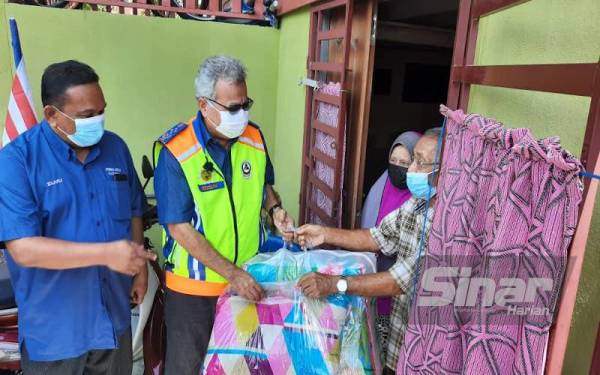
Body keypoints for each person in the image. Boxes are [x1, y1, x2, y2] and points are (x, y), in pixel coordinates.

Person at [0, 60, 155, 375]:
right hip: (56, 333)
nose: (97, 121)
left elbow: (134, 209)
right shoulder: (17, 161)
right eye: (86, 116)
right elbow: (24, 249)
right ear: (52, 115)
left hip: (113, 321)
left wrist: (138, 268)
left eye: (101, 111)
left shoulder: (115, 147)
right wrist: (107, 254)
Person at [153, 55, 294, 375]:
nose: (241, 114)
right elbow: (178, 228)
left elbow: (264, 185)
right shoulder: (177, 151)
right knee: (188, 368)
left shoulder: (254, 138)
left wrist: (275, 210)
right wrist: (233, 275)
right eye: (233, 108)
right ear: (204, 104)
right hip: (195, 292)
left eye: (245, 104)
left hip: (248, 281)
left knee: (242, 366)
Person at [296, 127, 442, 374]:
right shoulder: (418, 205)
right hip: (399, 339)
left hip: (427, 348)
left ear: (445, 171)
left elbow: (399, 281)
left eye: (420, 162)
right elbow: (378, 236)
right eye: (412, 159)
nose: (411, 169)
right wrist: (325, 234)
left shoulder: (445, 222)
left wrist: (334, 284)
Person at [359, 130, 421, 361]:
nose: (398, 168)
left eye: (405, 163)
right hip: (375, 279)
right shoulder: (379, 188)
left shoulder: (420, 203)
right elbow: (370, 233)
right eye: (393, 161)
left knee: (398, 354)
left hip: (403, 297)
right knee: (376, 350)